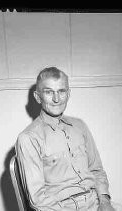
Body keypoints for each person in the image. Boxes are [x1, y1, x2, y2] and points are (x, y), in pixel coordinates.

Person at [15, 67, 116, 211]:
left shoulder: (80, 126)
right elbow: (38, 201)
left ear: (68, 94)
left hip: (95, 202)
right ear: (38, 97)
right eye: (49, 92)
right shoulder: (29, 138)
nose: (56, 99)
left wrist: (105, 202)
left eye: (61, 91)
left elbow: (97, 170)